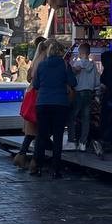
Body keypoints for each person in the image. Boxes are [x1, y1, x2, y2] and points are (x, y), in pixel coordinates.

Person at [32, 40, 76, 178]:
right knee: (58, 137)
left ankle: (38, 167)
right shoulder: (64, 65)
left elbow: (36, 84)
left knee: (41, 135)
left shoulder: (42, 65)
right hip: (60, 104)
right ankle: (56, 169)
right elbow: (73, 82)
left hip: (43, 103)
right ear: (61, 52)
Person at [13, 38, 48, 170]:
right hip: (39, 95)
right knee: (39, 130)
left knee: (31, 130)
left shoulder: (36, 59)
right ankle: (34, 160)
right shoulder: (45, 59)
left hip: (31, 93)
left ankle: (22, 156)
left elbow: (29, 77)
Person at [68, 42, 99, 151]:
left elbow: (72, 77)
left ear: (81, 52)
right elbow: (97, 82)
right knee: (86, 118)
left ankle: (72, 141)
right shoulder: (93, 65)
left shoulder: (77, 64)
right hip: (89, 93)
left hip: (79, 92)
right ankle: (83, 143)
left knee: (72, 117)